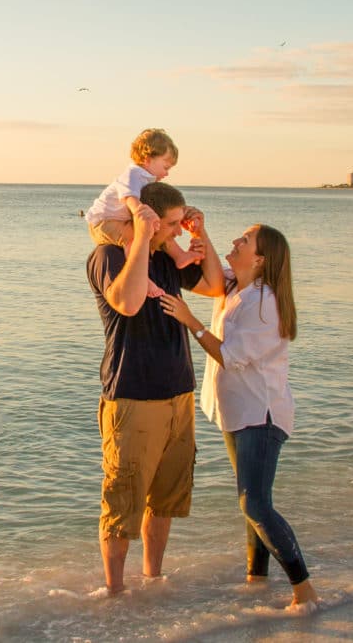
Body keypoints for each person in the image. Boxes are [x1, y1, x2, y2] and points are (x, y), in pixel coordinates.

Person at [160, 224, 321, 612]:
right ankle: (257, 579)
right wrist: (191, 233)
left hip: (261, 416)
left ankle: (304, 589)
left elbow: (230, 356)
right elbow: (207, 280)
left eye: (244, 241)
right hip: (237, 412)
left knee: (255, 504)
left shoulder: (266, 306)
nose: (236, 242)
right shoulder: (236, 284)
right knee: (251, 501)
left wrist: (190, 321)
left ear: (260, 259)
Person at [86, 181, 223, 595]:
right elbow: (127, 303)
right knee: (122, 500)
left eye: (181, 224)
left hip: (178, 392)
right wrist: (144, 237)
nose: (177, 232)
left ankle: (153, 581)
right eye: (172, 224)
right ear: (145, 220)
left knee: (164, 500)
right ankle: (114, 594)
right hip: (132, 394)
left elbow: (215, 285)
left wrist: (202, 235)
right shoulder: (109, 256)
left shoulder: (167, 258)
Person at [85, 129, 204, 299]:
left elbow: (160, 206)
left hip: (118, 219)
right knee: (134, 239)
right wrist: (139, 212)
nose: (167, 173)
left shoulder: (147, 178)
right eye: (165, 167)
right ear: (148, 159)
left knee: (159, 227)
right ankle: (144, 280)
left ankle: (180, 256)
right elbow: (128, 196)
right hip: (103, 222)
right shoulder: (133, 174)